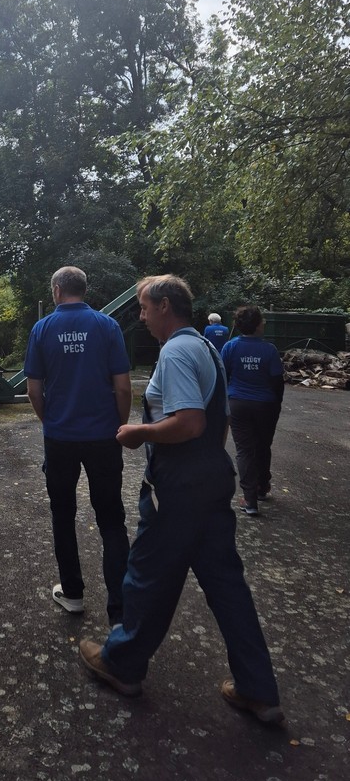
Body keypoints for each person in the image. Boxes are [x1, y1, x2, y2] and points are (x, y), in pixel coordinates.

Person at [78, 274, 284, 725]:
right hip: (211, 479)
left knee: (146, 575)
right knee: (227, 587)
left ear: (165, 306)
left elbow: (189, 422)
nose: (142, 316)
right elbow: (216, 422)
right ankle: (258, 690)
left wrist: (139, 432)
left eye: (144, 307)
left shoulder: (175, 353)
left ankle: (121, 664)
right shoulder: (208, 347)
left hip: (177, 488)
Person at [24, 266, 132, 625]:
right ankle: (120, 610)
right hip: (103, 437)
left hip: (61, 438)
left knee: (63, 514)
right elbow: (123, 387)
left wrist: (50, 422)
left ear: (57, 290)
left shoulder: (42, 329)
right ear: (83, 289)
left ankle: (72, 594)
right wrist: (119, 426)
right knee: (112, 519)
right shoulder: (107, 326)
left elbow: (34, 390)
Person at [221, 305, 284, 516]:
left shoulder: (230, 347)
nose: (264, 323)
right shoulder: (269, 350)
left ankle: (249, 500)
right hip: (265, 405)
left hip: (238, 403)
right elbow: (277, 381)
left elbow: (223, 375)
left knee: (244, 450)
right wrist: (276, 404)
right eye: (262, 321)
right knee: (263, 445)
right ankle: (262, 487)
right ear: (257, 325)